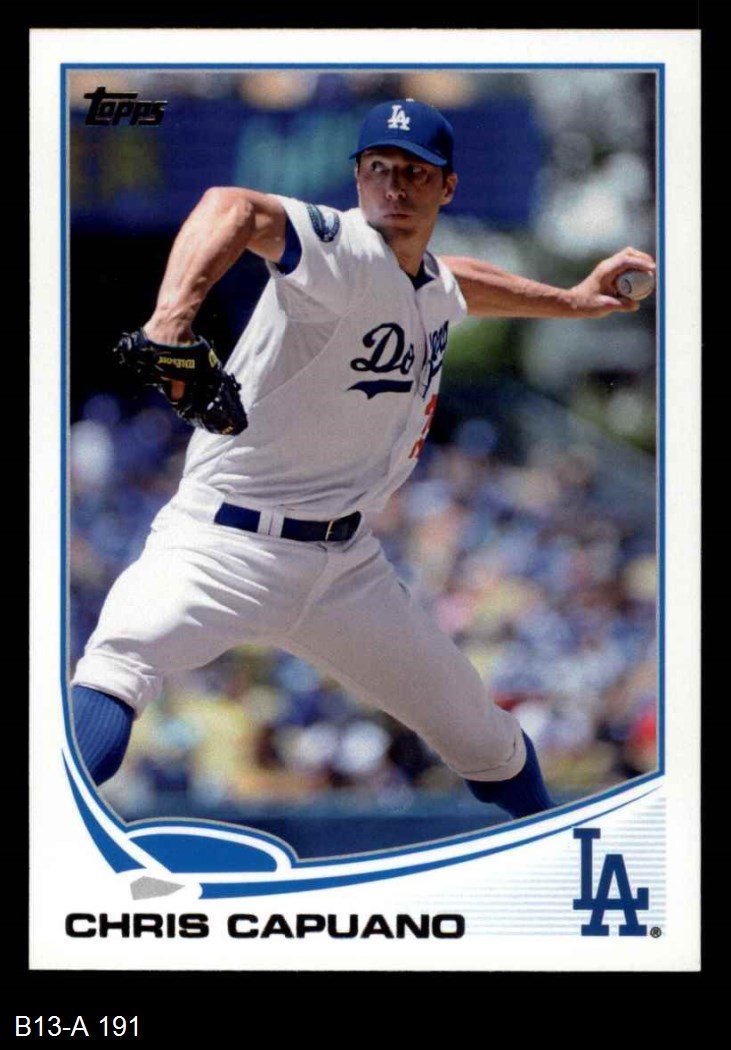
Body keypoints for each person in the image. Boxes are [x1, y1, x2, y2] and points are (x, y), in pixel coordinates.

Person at [71, 99, 655, 820]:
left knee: (487, 741)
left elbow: (455, 281)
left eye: (415, 172)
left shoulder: (426, 280)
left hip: (346, 570)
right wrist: (170, 322)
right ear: (357, 179)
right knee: (116, 669)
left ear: (447, 187)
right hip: (219, 547)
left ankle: (561, 859)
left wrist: (571, 300)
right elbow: (231, 206)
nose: (394, 187)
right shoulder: (339, 249)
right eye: (379, 168)